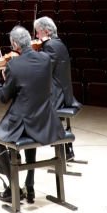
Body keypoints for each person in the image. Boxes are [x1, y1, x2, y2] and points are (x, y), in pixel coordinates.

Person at [0, 25, 65, 204]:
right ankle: (30, 184)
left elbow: (4, 96)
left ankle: (13, 185)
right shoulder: (45, 59)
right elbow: (32, 84)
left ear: (15, 44)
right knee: (30, 133)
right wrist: (12, 78)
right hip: (45, 121)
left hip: (25, 122)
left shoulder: (14, 64)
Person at [33, 15, 82, 161]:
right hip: (63, 91)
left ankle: (17, 149)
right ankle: (67, 148)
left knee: (28, 108)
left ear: (46, 32)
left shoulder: (50, 46)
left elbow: (43, 70)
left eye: (38, 32)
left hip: (57, 95)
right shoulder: (58, 43)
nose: (36, 35)